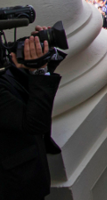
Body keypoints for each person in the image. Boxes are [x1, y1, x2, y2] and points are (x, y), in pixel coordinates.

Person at [0, 31, 62, 200]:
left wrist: (39, 51)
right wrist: (39, 72)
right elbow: (34, 122)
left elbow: (18, 89)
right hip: (14, 184)